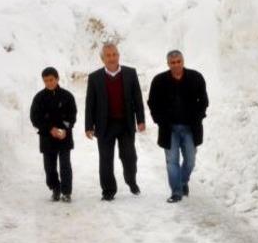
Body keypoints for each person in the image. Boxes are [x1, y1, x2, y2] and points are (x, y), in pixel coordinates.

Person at [84, 42, 146, 201]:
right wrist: (88, 126)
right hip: (105, 125)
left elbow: (137, 99)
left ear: (118, 56)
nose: (111, 58)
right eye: (108, 55)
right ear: (102, 59)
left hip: (125, 124)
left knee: (129, 157)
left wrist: (140, 120)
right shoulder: (94, 77)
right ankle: (108, 190)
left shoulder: (130, 73)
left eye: (114, 54)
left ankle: (131, 180)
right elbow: (90, 103)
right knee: (105, 160)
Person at [147, 50, 209, 203]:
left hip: (190, 128)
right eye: (173, 63)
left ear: (183, 61)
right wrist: (159, 120)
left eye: (178, 62)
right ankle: (176, 191)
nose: (176, 65)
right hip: (169, 129)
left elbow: (204, 100)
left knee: (190, 161)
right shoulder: (159, 80)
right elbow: (152, 103)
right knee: (172, 161)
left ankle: (182, 181)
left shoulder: (195, 77)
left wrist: (198, 116)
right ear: (168, 64)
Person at [29, 67, 78, 202]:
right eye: (46, 81)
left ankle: (66, 192)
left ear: (57, 79)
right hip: (47, 137)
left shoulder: (67, 96)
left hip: (64, 137)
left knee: (65, 165)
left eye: (51, 80)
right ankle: (55, 188)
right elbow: (35, 118)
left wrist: (65, 129)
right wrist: (50, 129)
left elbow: (72, 115)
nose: (49, 83)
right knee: (49, 168)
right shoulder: (39, 98)